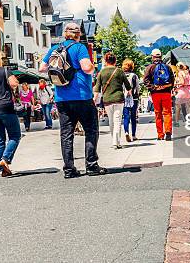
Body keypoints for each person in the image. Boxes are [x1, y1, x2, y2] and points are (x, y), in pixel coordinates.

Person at [39, 22, 107, 178]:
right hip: (82, 96)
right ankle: (91, 165)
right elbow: (87, 68)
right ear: (78, 35)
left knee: (66, 134)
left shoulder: (54, 49)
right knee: (91, 130)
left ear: (65, 34)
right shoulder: (80, 48)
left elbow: (42, 68)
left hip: (62, 98)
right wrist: (92, 66)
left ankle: (69, 169)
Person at [94, 52, 131, 149]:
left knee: (111, 121)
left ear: (106, 61)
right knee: (117, 120)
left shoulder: (101, 72)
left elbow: (97, 88)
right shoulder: (119, 71)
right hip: (118, 99)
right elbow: (128, 86)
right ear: (115, 61)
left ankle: (114, 142)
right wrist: (129, 93)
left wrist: (94, 99)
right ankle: (116, 142)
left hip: (107, 100)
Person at [143, 49, 175, 141]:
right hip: (166, 93)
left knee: (158, 114)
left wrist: (154, 88)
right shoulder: (167, 67)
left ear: (153, 57)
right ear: (161, 56)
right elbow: (172, 80)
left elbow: (146, 80)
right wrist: (167, 88)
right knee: (167, 112)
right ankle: (168, 132)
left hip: (155, 94)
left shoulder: (150, 67)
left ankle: (160, 135)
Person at [121, 59, 140, 142]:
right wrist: (137, 94)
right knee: (133, 117)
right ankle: (133, 135)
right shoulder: (134, 75)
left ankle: (126, 132)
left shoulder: (121, 75)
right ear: (131, 66)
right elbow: (137, 87)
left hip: (124, 98)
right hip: (134, 98)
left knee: (126, 116)